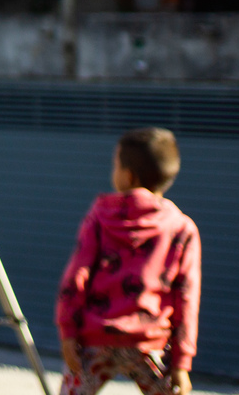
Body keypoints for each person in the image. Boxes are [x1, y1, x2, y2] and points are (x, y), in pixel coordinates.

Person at [56, 127, 202, 395]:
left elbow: (77, 276)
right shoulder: (182, 228)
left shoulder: (99, 217)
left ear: (128, 175)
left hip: (96, 338)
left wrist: (68, 333)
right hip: (151, 341)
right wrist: (182, 363)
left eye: (115, 164)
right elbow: (187, 298)